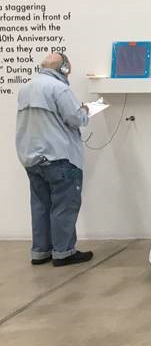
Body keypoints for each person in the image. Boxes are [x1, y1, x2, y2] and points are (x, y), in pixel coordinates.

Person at [16, 52, 93, 266]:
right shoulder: (59, 88)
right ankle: (64, 252)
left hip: (31, 158)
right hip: (58, 156)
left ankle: (40, 251)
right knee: (64, 204)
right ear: (65, 69)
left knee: (40, 205)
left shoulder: (26, 88)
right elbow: (75, 119)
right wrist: (85, 109)